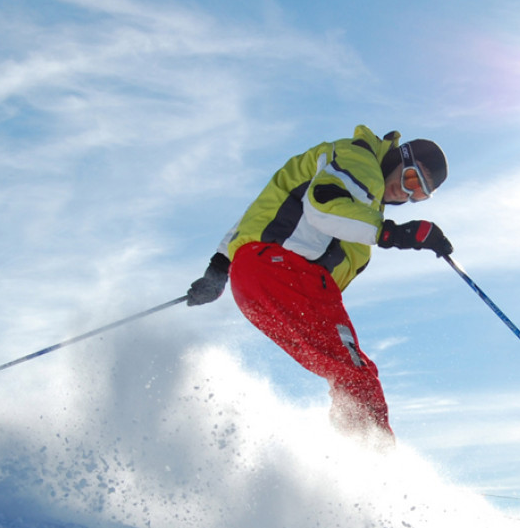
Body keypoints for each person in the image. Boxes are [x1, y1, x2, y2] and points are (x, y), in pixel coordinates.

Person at [186, 124, 452, 441]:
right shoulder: (360, 163)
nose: (406, 193)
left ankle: (343, 460)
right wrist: (394, 234)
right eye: (411, 179)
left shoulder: (362, 195)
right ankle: (375, 470)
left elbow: (255, 217)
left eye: (419, 194)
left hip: (255, 281)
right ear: (400, 157)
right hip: (283, 272)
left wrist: (218, 270)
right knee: (356, 376)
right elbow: (323, 206)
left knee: (344, 372)